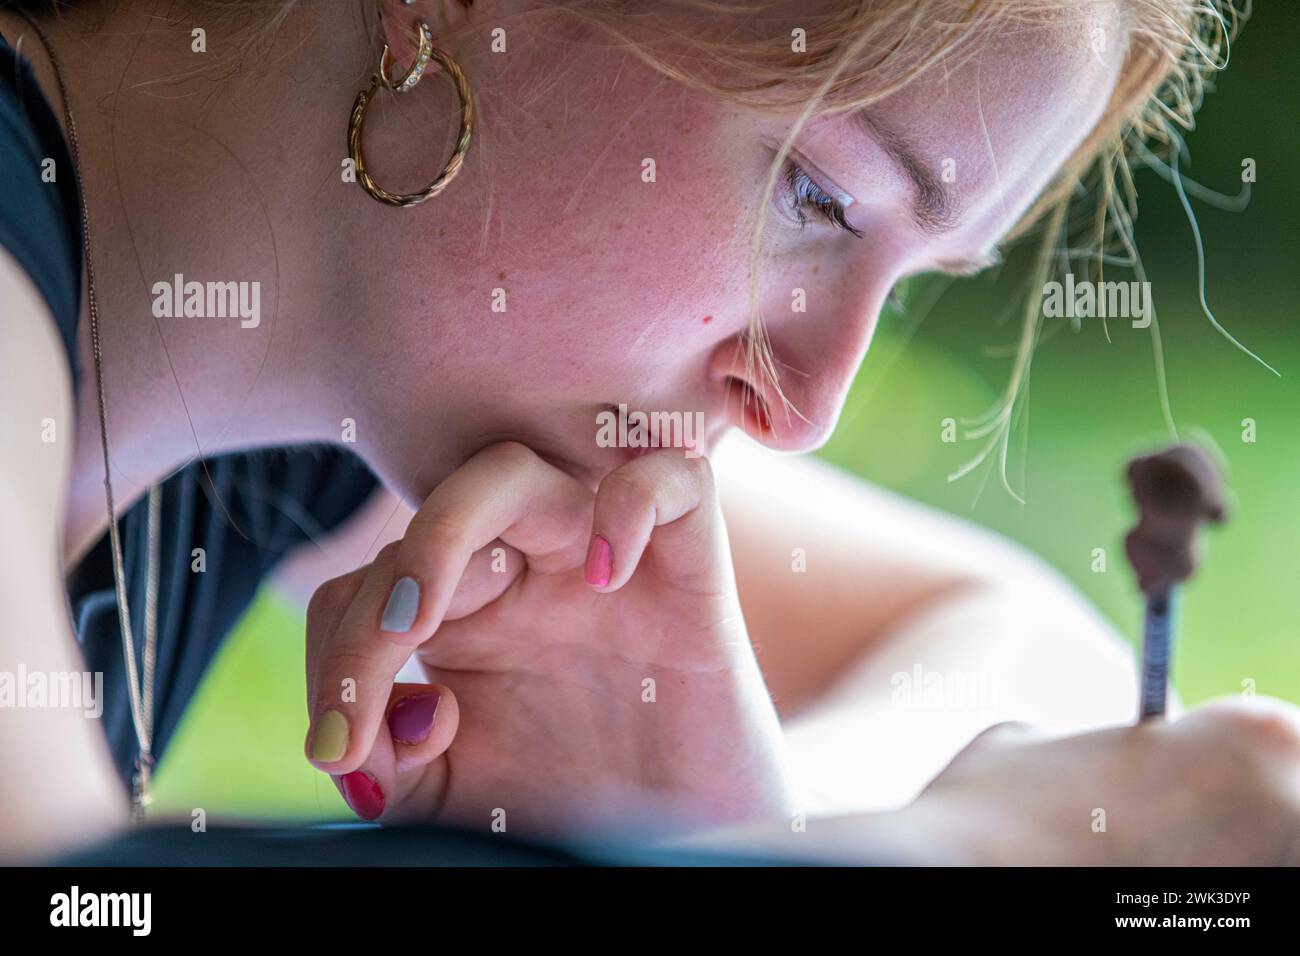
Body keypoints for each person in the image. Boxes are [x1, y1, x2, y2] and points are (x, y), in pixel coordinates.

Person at [0, 0, 1295, 864]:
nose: (806, 407)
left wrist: (700, 825)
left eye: (918, 275)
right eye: (820, 194)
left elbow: (1013, 640)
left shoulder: (336, 383)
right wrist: (958, 848)